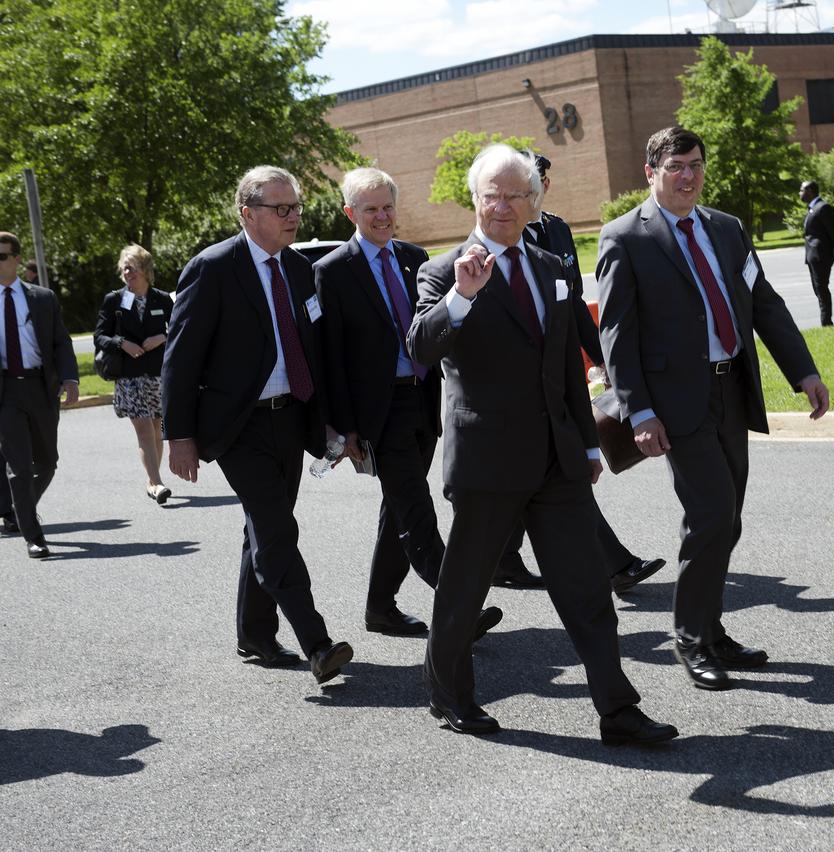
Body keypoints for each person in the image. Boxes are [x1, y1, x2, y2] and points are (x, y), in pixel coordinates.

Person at [408, 144, 676, 746]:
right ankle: (450, 696)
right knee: (464, 589)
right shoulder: (442, 270)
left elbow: (562, 369)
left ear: (535, 202)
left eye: (515, 196)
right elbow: (421, 347)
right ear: (475, 199)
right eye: (491, 195)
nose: (502, 206)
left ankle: (617, 710)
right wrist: (462, 296)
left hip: (557, 460)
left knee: (586, 589)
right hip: (487, 461)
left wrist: (587, 446)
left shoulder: (552, 267)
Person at [596, 127, 830, 691]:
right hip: (675, 402)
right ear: (651, 171)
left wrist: (803, 370)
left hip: (731, 390)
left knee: (728, 520)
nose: (688, 175)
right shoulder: (625, 237)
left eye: (696, 164)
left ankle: (712, 628)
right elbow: (616, 335)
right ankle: (691, 638)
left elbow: (764, 304)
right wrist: (639, 412)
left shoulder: (726, 230)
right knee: (710, 514)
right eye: (676, 165)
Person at [161, 166, 353, 685]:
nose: (293, 217)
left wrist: (334, 426)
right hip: (238, 426)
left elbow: (314, 352)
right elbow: (180, 359)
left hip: (291, 417)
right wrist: (178, 435)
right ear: (248, 213)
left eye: (295, 207)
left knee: (263, 530)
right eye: (281, 209)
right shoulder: (213, 268)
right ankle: (316, 642)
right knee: (276, 529)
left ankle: (255, 634)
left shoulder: (298, 269)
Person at [314, 167, 501, 640]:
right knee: (417, 513)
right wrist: (342, 428)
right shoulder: (332, 271)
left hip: (421, 400)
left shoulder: (415, 258)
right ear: (350, 213)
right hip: (377, 414)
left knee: (397, 509)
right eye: (371, 208)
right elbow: (330, 358)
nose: (382, 216)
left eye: (388, 206)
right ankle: (459, 607)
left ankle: (380, 608)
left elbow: (437, 327)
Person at [492, 151, 666, 594]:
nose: (535, 190)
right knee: (563, 471)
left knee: (531, 478)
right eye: (525, 184)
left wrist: (603, 358)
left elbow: (574, 303)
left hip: (564, 367)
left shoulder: (557, 229)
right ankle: (615, 564)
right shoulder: (497, 240)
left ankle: (502, 559)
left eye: (539, 182)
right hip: (525, 381)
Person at [0, 231, 78, 559]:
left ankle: (16, 508)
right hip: (5, 392)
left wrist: (71, 378)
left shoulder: (42, 298)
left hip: (40, 388)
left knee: (48, 462)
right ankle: (33, 536)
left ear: (17, 258)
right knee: (18, 466)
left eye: (2, 256)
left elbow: (61, 341)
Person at [93, 245, 173, 504]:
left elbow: (180, 330)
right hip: (130, 376)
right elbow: (100, 336)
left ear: (146, 270)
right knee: (144, 431)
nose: (128, 272)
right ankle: (157, 482)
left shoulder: (161, 299)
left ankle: (151, 480)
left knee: (157, 428)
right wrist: (121, 343)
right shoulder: (114, 300)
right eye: (125, 267)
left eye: (133, 267)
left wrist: (162, 337)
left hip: (158, 375)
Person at [799, 180, 834, 326]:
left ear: (810, 191)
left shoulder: (823, 207)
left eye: (802, 190)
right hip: (812, 255)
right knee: (818, 289)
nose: (800, 193)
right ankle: (826, 321)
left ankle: (826, 322)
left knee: (821, 288)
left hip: (821, 255)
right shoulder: (812, 208)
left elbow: (833, 230)